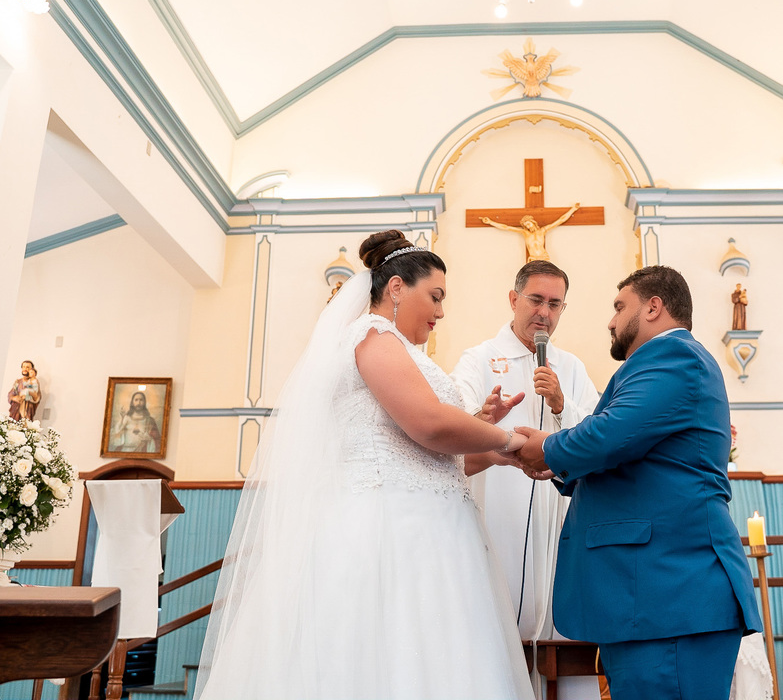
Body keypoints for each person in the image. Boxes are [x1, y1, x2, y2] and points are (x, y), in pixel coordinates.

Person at [196, 231, 534, 700]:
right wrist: (513, 439)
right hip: (386, 529)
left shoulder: (404, 352)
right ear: (396, 288)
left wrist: (494, 446)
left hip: (432, 532)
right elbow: (430, 425)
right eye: (435, 297)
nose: (441, 311)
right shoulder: (374, 337)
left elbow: (442, 455)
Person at [516, 266, 761, 700]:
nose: (610, 321)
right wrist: (559, 464)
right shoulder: (660, 364)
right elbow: (629, 450)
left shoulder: (675, 357)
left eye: (618, 307)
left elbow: (613, 433)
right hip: (651, 595)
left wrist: (548, 449)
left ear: (653, 307)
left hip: (670, 592)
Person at [450, 260, 601, 697]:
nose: (544, 313)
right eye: (536, 300)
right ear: (514, 299)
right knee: (497, 639)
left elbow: (596, 434)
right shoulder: (478, 359)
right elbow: (454, 423)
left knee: (560, 640)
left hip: (558, 525)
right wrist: (483, 417)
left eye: (555, 304)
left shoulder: (570, 368)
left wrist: (559, 405)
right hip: (498, 516)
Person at [480, 202, 581, 261]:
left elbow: (560, 220)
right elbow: (506, 227)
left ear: (533, 222)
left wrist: (573, 209)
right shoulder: (525, 233)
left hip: (544, 257)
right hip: (532, 258)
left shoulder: (543, 231)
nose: (528, 226)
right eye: (526, 225)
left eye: (529, 223)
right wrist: (490, 222)